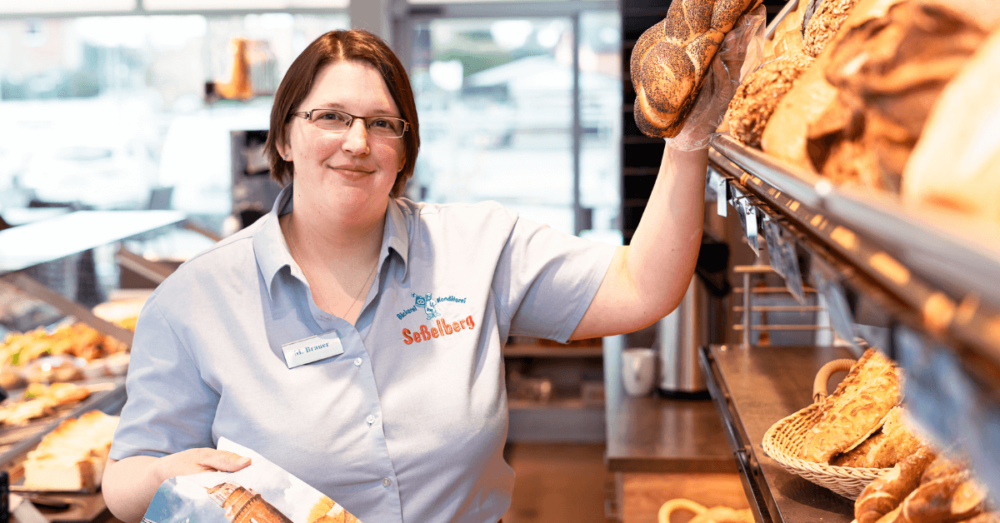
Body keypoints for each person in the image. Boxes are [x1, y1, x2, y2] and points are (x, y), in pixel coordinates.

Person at [103, 29, 715, 523]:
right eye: (330, 117)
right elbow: (126, 481)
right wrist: (161, 475)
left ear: (404, 151)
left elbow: (643, 284)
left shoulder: (476, 245)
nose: (357, 141)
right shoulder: (193, 301)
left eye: (383, 123)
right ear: (284, 137)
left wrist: (689, 138)